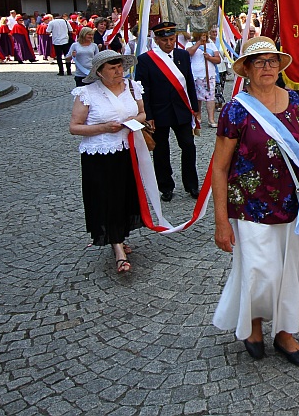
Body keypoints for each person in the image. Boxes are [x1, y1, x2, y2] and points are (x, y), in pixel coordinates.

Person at [211, 36, 299, 367]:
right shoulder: (236, 110)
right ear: (246, 69)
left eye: (272, 61)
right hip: (250, 206)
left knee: (291, 269)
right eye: (259, 62)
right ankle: (254, 324)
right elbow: (219, 168)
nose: (267, 67)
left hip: (294, 203)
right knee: (260, 271)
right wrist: (221, 222)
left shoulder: (294, 101)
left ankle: (285, 332)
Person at [68, 49, 145, 274]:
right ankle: (118, 248)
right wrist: (103, 128)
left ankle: (119, 236)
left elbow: (142, 114)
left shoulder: (132, 87)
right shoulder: (87, 93)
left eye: (120, 66)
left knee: (125, 196)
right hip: (99, 156)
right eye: (112, 68)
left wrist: (132, 121)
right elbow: (74, 127)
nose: (118, 71)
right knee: (107, 199)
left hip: (127, 151)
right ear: (99, 72)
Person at [135, 22, 201, 201]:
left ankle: (192, 185)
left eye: (172, 39)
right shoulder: (145, 60)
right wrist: (148, 115)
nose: (169, 43)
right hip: (159, 112)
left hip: (181, 110)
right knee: (161, 150)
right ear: (156, 40)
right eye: (164, 40)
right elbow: (143, 90)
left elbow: (189, 83)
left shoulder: (182, 55)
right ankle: (166, 186)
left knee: (188, 146)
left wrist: (195, 108)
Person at [186, 31, 221, 127]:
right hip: (195, 75)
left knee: (210, 97)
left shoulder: (211, 44)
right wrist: (199, 43)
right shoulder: (190, 43)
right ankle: (198, 117)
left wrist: (209, 58)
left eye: (205, 35)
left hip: (209, 75)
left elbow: (218, 59)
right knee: (197, 97)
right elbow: (189, 53)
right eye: (202, 35)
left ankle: (211, 119)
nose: (204, 37)